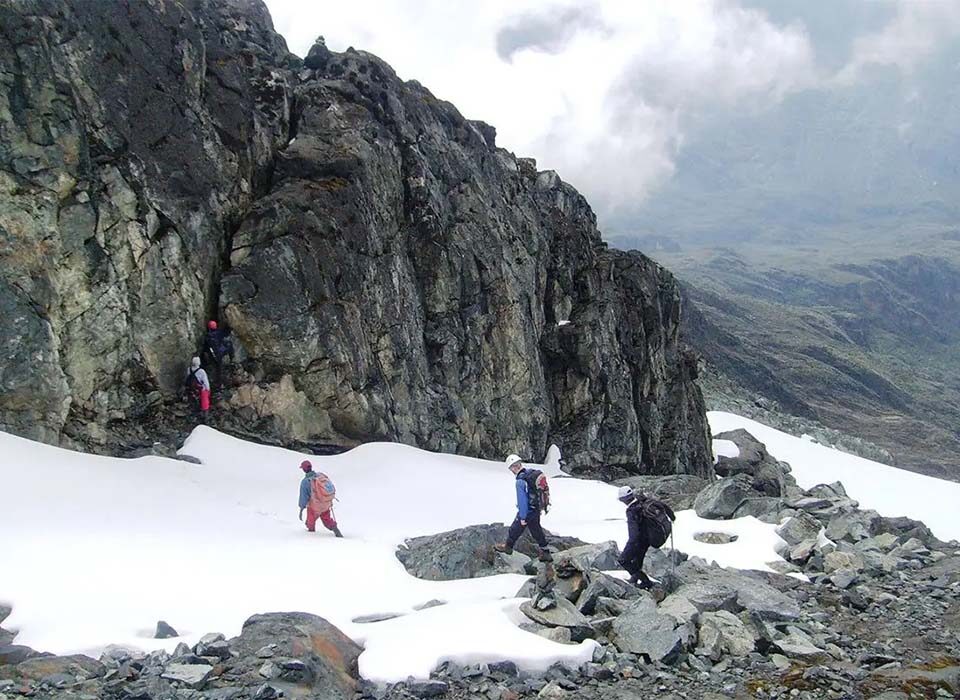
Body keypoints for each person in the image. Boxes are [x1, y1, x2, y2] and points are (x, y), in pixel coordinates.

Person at [494, 454, 552, 561]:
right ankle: (546, 552)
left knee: (514, 529)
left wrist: (523, 517)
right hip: (536, 509)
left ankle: (508, 547)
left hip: (528, 510)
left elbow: (522, 501)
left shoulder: (521, 480)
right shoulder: (531, 473)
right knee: (536, 530)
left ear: (513, 467)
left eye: (511, 468)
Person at [618, 486, 675, 589]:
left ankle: (645, 581)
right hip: (647, 538)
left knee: (623, 560)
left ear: (624, 500)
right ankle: (635, 578)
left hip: (639, 540)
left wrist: (629, 546)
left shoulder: (632, 511)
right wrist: (672, 518)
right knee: (638, 558)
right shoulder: (644, 501)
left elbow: (633, 534)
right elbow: (664, 506)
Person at [298, 460, 343, 537]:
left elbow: (304, 497)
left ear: (304, 469)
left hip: (314, 506)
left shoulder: (305, 482)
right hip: (325, 503)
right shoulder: (320, 475)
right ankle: (334, 528)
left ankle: (311, 535)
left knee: (310, 521)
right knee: (326, 519)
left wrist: (301, 508)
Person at [201, 320, 235, 389]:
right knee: (229, 344)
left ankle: (218, 383)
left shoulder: (208, 336)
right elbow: (226, 332)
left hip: (213, 355)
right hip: (220, 352)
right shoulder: (219, 332)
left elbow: (205, 348)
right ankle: (232, 358)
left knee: (217, 368)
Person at [183, 356, 211, 423]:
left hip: (192, 389)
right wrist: (208, 389)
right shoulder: (201, 371)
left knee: (194, 402)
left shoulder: (189, 369)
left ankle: (194, 415)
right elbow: (205, 382)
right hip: (200, 389)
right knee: (205, 402)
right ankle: (205, 417)